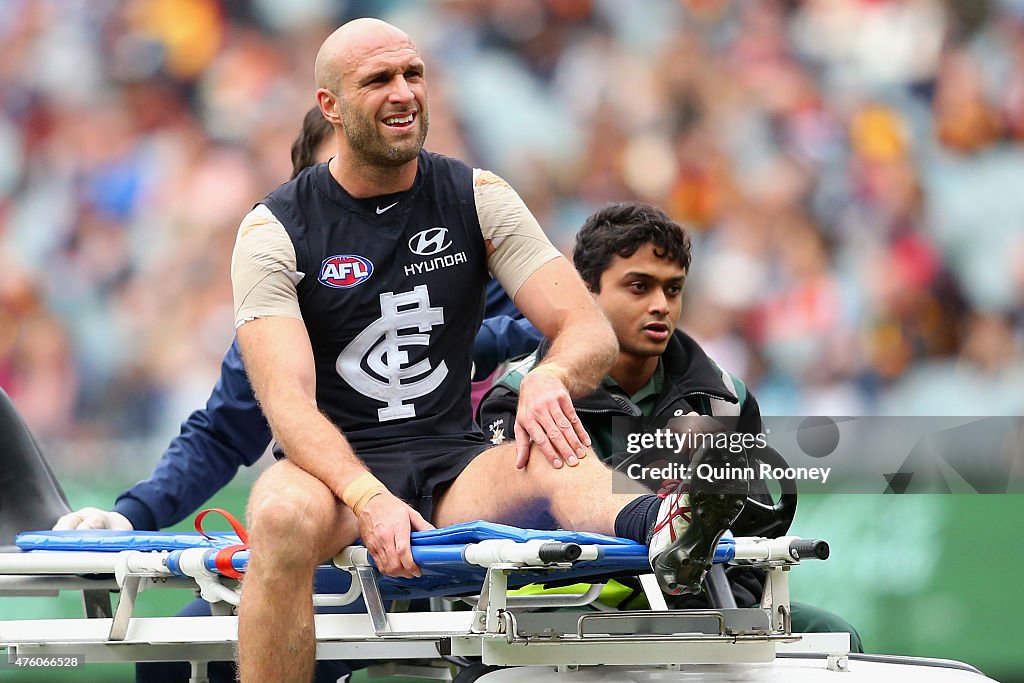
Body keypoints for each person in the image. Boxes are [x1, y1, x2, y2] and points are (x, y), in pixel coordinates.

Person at [229, 18, 745, 682]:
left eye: (413, 74)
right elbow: (286, 401)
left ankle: (670, 526)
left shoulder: (477, 196)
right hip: (330, 473)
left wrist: (552, 375)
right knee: (277, 513)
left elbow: (585, 324)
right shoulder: (273, 228)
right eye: (379, 79)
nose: (403, 92)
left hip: (449, 461)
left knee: (560, 453)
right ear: (329, 104)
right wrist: (366, 495)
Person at [51, 104, 540, 683]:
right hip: (340, 530)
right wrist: (131, 516)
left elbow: (559, 327)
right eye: (342, 182)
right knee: (176, 663)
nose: (367, 203)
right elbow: (224, 429)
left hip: (466, 528)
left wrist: (458, 346)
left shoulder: (470, 258)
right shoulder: (284, 299)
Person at [477, 200, 863, 650]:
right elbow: (520, 545)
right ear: (586, 293)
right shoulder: (519, 398)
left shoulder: (724, 397)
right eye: (639, 287)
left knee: (834, 637)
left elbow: (753, 538)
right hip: (569, 619)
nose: (660, 305)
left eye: (673, 289)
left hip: (701, 608)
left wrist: (717, 620)